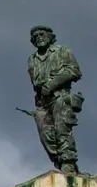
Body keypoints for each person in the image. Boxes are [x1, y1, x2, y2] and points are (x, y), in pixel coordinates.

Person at [25, 25, 84, 174]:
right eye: (36, 36)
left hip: (60, 96)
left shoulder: (62, 51)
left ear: (50, 37)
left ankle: (68, 163)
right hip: (42, 102)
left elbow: (74, 71)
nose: (39, 37)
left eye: (42, 34)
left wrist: (52, 84)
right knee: (45, 134)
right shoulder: (32, 59)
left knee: (62, 129)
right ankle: (59, 161)